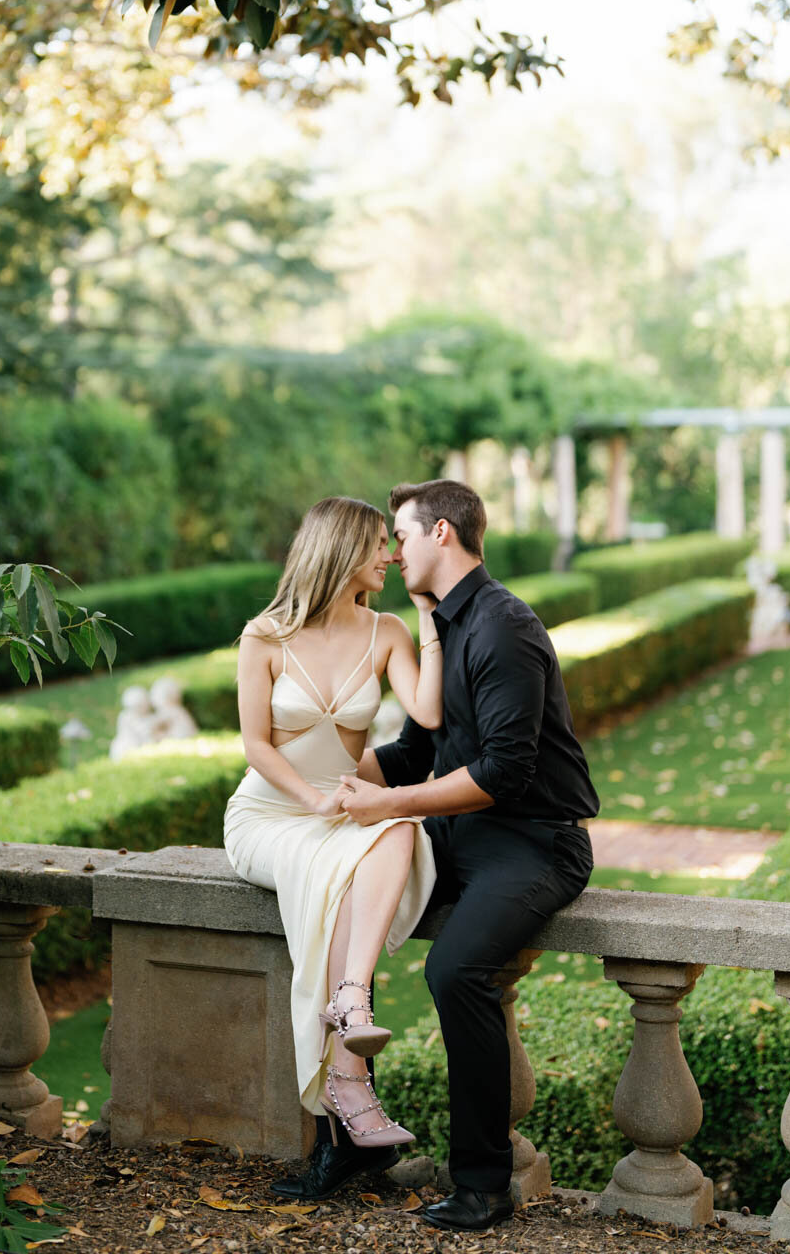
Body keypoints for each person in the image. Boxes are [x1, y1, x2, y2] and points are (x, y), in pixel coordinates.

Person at [326, 478, 601, 1232]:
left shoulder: (502, 624)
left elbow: (504, 771)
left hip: (535, 841)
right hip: (461, 832)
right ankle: (346, 1134)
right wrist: (317, 781)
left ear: (441, 534)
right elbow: (419, 746)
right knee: (336, 899)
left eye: (401, 535)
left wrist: (387, 805)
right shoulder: (443, 622)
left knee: (455, 970)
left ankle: (482, 1185)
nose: (390, 550)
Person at [224, 495, 441, 1187]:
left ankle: (350, 1001)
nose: (391, 554)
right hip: (269, 816)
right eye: (379, 543)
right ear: (343, 549)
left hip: (339, 812)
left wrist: (429, 615)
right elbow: (257, 746)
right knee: (338, 872)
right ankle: (346, 1088)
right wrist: (313, 799)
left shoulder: (386, 631)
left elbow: (427, 711)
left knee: (401, 824)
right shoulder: (263, 636)